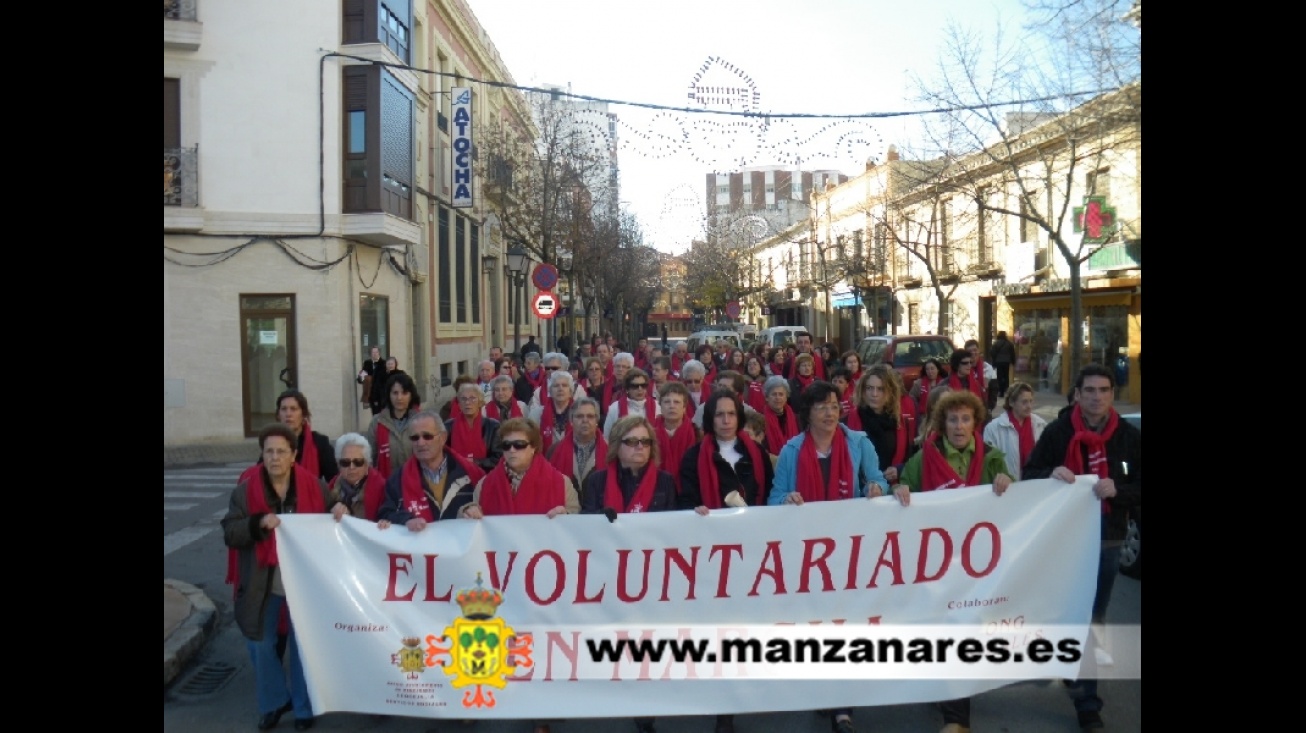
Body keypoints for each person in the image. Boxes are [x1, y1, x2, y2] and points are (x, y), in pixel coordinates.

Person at [1022, 364, 1141, 732]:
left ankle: (1087, 700)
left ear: (1111, 393)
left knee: (1093, 616)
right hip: (1064, 539)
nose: (1097, 397)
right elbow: (1030, 474)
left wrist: (1118, 490)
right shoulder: (1059, 432)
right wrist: (1051, 475)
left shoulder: (1128, 437)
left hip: (1107, 537)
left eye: (1104, 390)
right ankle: (1073, 670)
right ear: (1077, 394)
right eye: (1089, 390)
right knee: (1068, 612)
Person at [887, 389, 1013, 733]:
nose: (959, 426)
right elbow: (899, 497)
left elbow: (1015, 507)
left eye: (966, 419)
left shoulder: (991, 459)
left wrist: (1007, 483)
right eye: (953, 419)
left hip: (975, 566)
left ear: (975, 423)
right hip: (933, 564)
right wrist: (898, 491)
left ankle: (957, 720)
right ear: (943, 424)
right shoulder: (921, 459)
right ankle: (945, 693)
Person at [768, 381, 886, 733]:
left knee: (843, 623)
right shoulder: (791, 451)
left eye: (835, 406)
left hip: (848, 550)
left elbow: (879, 481)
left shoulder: (859, 444)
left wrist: (877, 488)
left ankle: (842, 706)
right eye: (822, 407)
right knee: (815, 623)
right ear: (808, 413)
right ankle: (821, 688)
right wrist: (786, 501)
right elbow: (774, 499)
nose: (830, 412)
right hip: (806, 553)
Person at [223, 423, 337, 732]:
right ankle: (274, 701)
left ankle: (303, 708)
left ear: (293, 455)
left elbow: (331, 511)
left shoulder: (314, 485)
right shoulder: (245, 491)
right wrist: (257, 523)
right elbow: (230, 531)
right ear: (262, 455)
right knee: (261, 644)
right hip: (264, 582)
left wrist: (339, 506)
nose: (274, 457)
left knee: (303, 648)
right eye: (269, 451)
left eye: (281, 452)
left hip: (304, 583)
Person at [377, 409, 483, 527]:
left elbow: (492, 510)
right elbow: (385, 515)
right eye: (415, 438)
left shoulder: (472, 474)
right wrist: (406, 520)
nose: (421, 443)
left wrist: (473, 510)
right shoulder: (397, 480)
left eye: (427, 436)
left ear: (443, 438)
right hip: (420, 544)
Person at [461, 417, 580, 519]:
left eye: (519, 445)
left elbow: (577, 523)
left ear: (534, 447)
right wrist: (466, 512)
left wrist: (566, 515)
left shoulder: (562, 483)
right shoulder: (484, 485)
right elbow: (470, 528)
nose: (512, 450)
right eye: (506, 445)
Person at [850, 365, 918, 485]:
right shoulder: (851, 419)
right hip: (860, 492)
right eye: (869, 388)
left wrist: (898, 469)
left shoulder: (900, 421)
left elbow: (910, 458)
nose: (874, 394)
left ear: (890, 392)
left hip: (892, 489)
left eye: (880, 389)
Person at [983, 381, 1047, 480]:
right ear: (1011, 402)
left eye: (1031, 401)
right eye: (1024, 402)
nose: (1029, 406)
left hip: (1034, 483)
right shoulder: (993, 428)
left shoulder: (1040, 425)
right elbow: (990, 463)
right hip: (1006, 486)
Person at [272, 390, 338, 482]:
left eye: (293, 409)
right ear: (278, 415)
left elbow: (334, 481)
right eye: (284, 409)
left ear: (303, 414)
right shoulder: (271, 443)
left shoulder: (319, 443)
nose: (288, 414)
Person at [366, 373, 422, 479]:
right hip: (386, 485)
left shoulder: (421, 420)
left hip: (416, 483)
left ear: (411, 395)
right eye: (395, 393)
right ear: (389, 395)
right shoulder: (377, 422)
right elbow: (369, 458)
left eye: (404, 393)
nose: (399, 397)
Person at [547, 397, 607, 494]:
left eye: (590, 416)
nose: (585, 420)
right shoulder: (554, 450)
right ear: (571, 421)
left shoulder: (610, 451)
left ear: (597, 421)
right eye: (579, 416)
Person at [444, 383, 504, 474]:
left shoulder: (493, 426)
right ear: (459, 404)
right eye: (463, 399)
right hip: (455, 476)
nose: (467, 402)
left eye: (472, 398)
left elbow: (498, 458)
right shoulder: (449, 426)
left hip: (485, 476)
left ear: (480, 402)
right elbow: (441, 455)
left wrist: (476, 462)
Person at [329, 432, 387, 521]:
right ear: (338, 465)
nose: (352, 467)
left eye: (358, 462)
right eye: (345, 462)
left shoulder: (382, 489)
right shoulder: (331, 488)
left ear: (367, 464)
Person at [653, 382, 698, 489]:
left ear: (684, 408)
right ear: (660, 406)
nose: (672, 406)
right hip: (656, 489)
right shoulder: (649, 432)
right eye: (667, 402)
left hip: (688, 487)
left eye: (677, 402)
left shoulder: (696, 433)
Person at [528, 369, 578, 454]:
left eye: (564, 385)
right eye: (556, 386)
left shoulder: (580, 414)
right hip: (544, 463)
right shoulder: (536, 414)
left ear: (570, 392)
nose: (560, 389)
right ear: (550, 391)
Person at [604, 367, 660, 438]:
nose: (640, 389)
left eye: (643, 386)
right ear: (627, 389)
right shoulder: (615, 408)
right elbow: (607, 436)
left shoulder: (657, 406)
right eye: (635, 386)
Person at [761, 375, 800, 457]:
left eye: (781, 394)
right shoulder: (760, 421)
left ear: (786, 397)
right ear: (767, 398)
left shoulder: (798, 419)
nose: (777, 398)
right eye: (774, 394)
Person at [910, 357, 949, 423]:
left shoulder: (944, 383)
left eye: (932, 369)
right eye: (927, 369)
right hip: (923, 416)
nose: (930, 372)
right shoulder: (919, 383)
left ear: (938, 369)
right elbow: (911, 398)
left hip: (940, 415)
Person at [964, 339, 998, 411]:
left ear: (979, 351)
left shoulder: (988, 368)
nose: (973, 353)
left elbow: (994, 389)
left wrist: (990, 406)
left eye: (975, 350)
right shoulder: (964, 369)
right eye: (970, 351)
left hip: (984, 406)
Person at [357, 346, 387, 416]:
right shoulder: (367, 363)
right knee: (375, 414)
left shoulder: (384, 363)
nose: (375, 354)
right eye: (373, 352)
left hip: (381, 393)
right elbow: (363, 375)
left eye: (376, 352)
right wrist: (360, 378)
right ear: (370, 354)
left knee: (382, 414)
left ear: (379, 353)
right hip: (371, 393)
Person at [989, 331, 1017, 398]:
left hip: (999, 362)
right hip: (1006, 362)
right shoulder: (1009, 343)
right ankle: (1006, 390)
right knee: (1006, 376)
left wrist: (994, 361)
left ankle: (1001, 391)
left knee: (999, 376)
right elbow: (1012, 353)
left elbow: (992, 352)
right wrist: (1013, 362)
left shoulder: (996, 343)